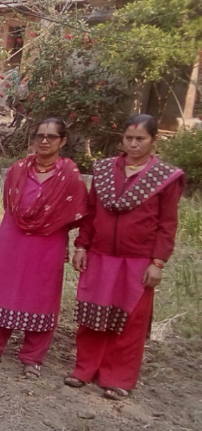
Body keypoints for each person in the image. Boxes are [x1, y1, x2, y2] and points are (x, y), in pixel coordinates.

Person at [68, 114, 184, 400]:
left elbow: (167, 224)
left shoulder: (165, 177)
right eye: (129, 138)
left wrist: (158, 262)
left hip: (138, 260)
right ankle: (84, 369)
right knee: (93, 313)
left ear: (153, 140)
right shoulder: (105, 170)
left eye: (140, 139)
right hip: (100, 255)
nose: (133, 144)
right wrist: (82, 246)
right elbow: (91, 212)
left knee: (129, 319)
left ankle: (117, 377)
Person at [0, 118, 88, 377]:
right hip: (12, 238)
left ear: (63, 141)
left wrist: (80, 246)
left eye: (51, 137)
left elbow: (79, 211)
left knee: (41, 295)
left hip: (48, 243)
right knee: (1, 289)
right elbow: (8, 204)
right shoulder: (18, 169)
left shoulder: (69, 175)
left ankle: (32, 358)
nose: (44, 141)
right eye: (40, 136)